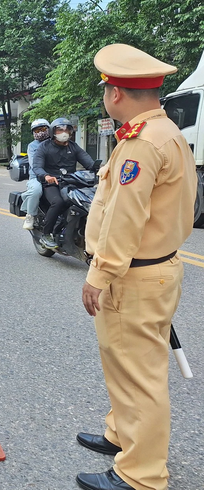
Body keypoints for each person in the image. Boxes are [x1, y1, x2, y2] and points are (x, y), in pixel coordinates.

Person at [76, 44, 196, 490]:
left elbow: (124, 220)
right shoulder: (167, 133)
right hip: (156, 267)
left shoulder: (140, 145)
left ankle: (141, 474)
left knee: (139, 376)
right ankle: (122, 434)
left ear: (116, 95)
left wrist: (99, 274)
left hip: (134, 275)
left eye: (105, 88)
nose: (104, 96)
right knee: (126, 365)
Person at [33, 117, 95, 248]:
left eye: (67, 129)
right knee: (58, 202)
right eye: (60, 130)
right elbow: (37, 166)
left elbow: (89, 162)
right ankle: (46, 234)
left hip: (71, 181)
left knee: (90, 199)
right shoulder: (44, 147)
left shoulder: (74, 147)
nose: (64, 132)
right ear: (53, 132)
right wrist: (46, 176)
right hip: (52, 183)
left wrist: (101, 170)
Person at [20, 118, 50, 230]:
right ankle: (30, 216)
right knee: (36, 190)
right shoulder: (32, 146)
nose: (40, 132)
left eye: (43, 129)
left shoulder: (55, 142)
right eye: (37, 131)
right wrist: (44, 174)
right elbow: (34, 164)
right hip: (37, 176)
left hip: (57, 174)